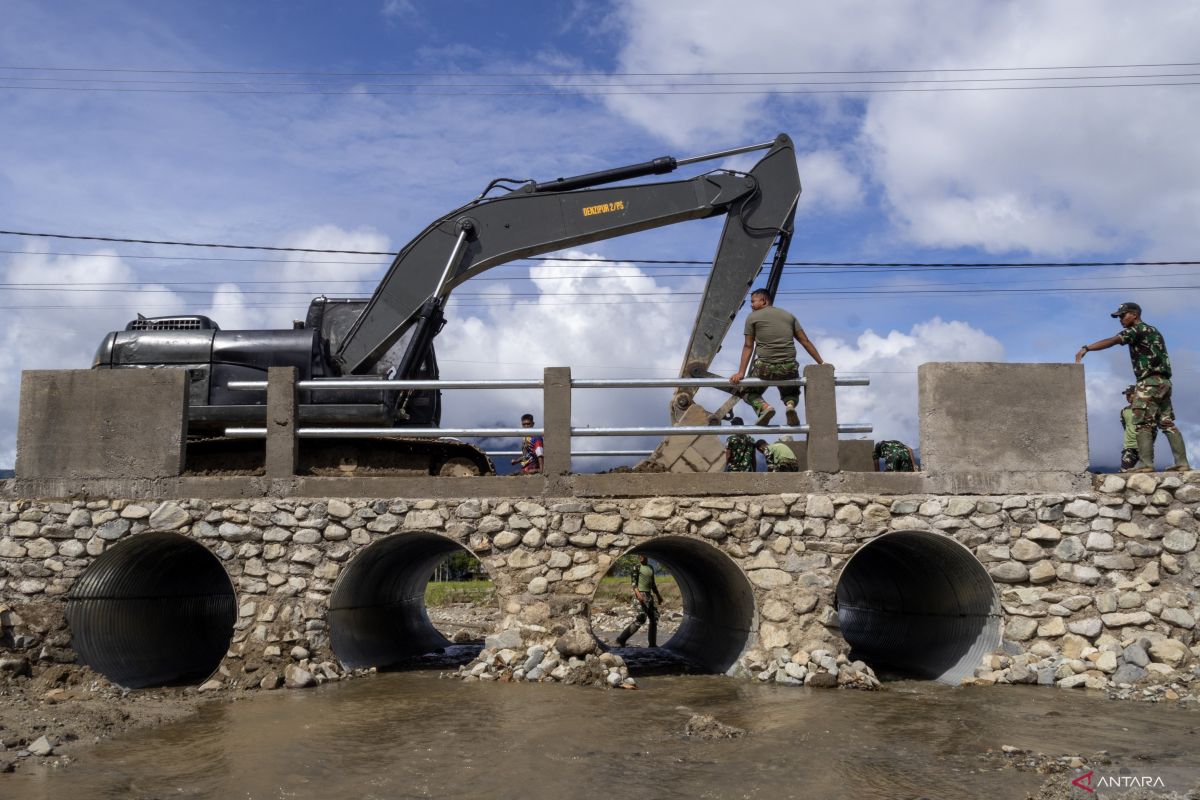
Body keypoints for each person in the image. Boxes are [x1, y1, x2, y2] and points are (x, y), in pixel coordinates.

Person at [1076, 301, 1191, 473]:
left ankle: (1145, 464)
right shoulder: (1154, 330)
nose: (1120, 319)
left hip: (1149, 383)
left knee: (1142, 422)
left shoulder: (1137, 330)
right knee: (1166, 422)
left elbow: (1114, 340)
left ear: (1134, 315)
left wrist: (1087, 348)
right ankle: (1182, 462)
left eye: (1123, 315)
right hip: (1164, 382)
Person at [729, 287, 824, 427]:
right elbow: (805, 341)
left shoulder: (752, 318)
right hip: (788, 367)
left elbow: (748, 346)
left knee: (747, 392)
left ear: (764, 301)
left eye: (753, 301)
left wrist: (741, 373)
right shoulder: (789, 316)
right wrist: (821, 363)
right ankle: (790, 405)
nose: (751, 305)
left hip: (765, 368)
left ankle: (764, 407)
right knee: (791, 390)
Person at [615, 554, 665, 648]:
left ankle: (652, 644)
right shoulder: (636, 567)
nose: (640, 557)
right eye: (639, 556)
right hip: (640, 595)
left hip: (649, 595)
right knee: (641, 617)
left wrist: (658, 596)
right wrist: (639, 595)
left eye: (642, 555)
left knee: (654, 618)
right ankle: (621, 639)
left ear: (646, 556)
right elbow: (633, 584)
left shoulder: (650, 568)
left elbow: (653, 584)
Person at [1119, 385, 1140, 472]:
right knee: (1124, 471)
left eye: (1129, 395)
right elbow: (1125, 426)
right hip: (1129, 447)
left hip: (1143, 446)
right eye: (1126, 395)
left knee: (1146, 472)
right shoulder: (1124, 411)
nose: (1127, 397)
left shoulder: (1145, 410)